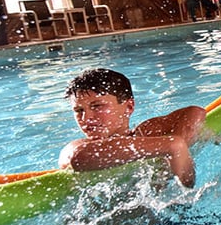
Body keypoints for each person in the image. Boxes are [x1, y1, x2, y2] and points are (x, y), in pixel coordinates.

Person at [59, 68, 206, 187]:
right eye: (79, 110)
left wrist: (165, 168)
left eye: (97, 106)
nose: (86, 118)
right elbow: (79, 157)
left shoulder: (143, 133)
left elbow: (194, 112)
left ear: (129, 107)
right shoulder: (76, 147)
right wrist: (172, 145)